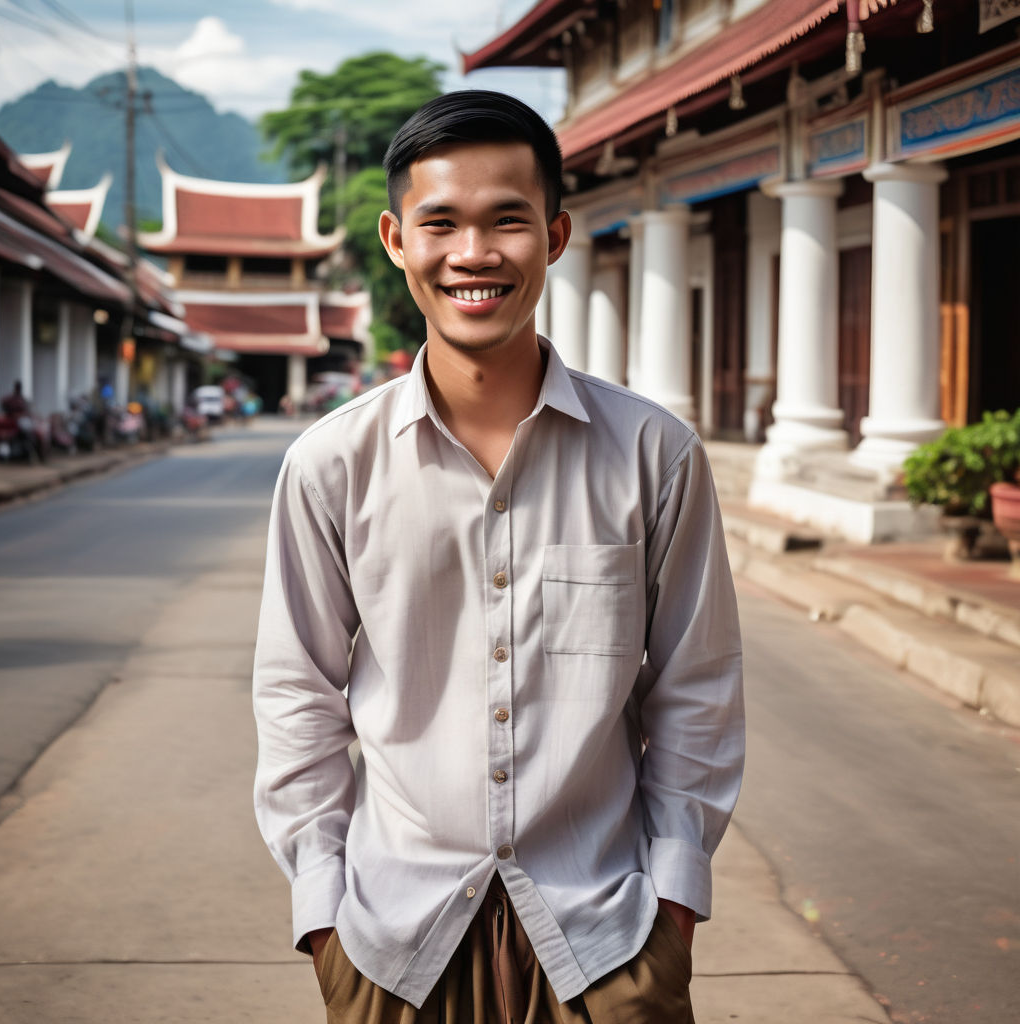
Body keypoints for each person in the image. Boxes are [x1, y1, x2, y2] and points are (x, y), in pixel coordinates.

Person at [253, 90, 744, 1023]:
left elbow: (697, 686)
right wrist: (324, 917)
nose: (473, 254)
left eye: (506, 221)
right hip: (391, 944)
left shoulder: (654, 454)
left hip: (607, 936)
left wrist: (673, 907)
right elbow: (296, 695)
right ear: (397, 240)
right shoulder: (329, 465)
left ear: (554, 236)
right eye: (441, 222)